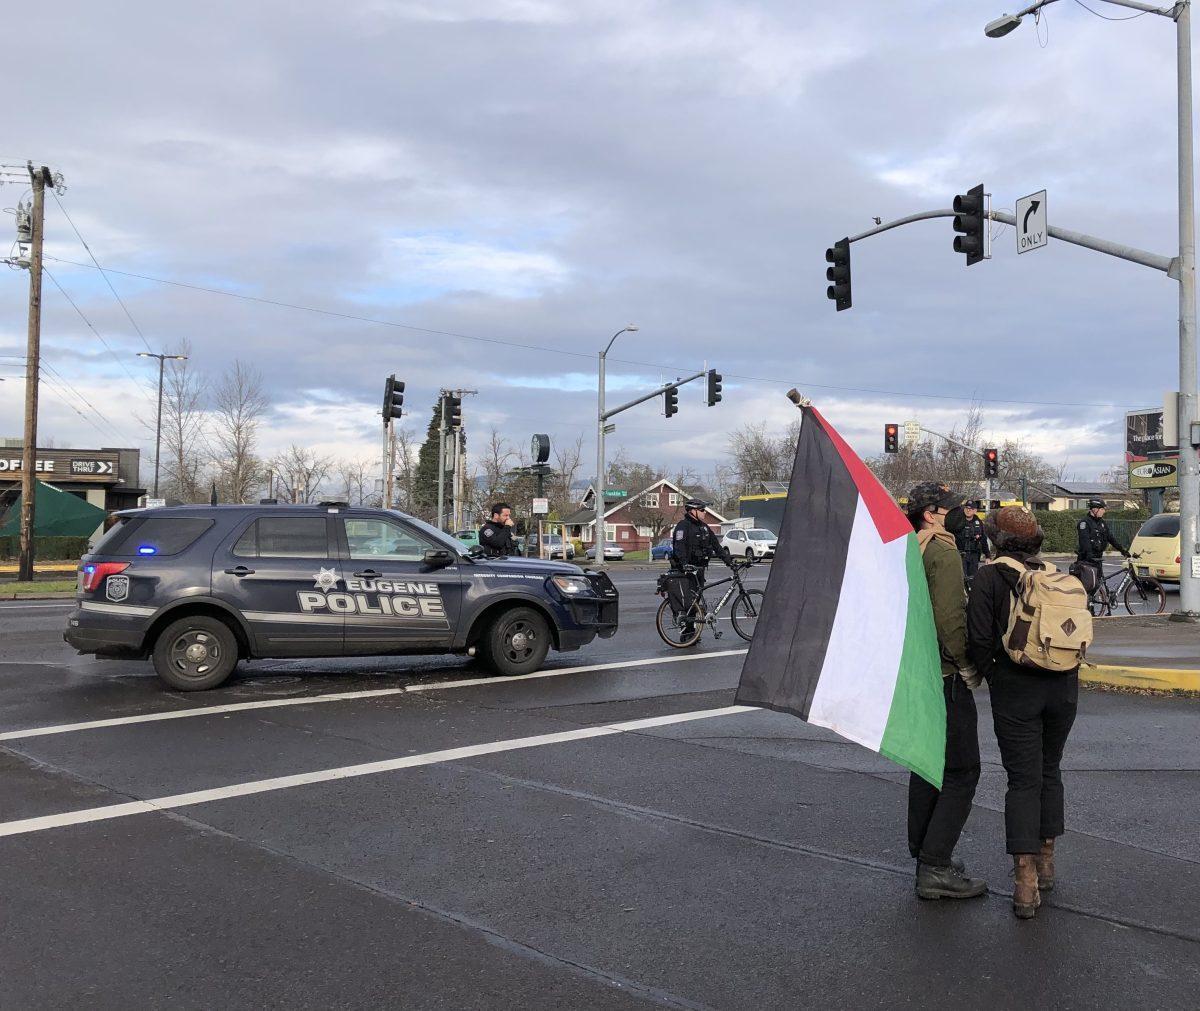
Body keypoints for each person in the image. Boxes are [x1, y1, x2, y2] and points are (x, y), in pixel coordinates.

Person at [969, 506, 1079, 920]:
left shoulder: (989, 576)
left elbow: (979, 639)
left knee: (1022, 780)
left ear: (998, 539)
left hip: (1016, 688)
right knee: (1050, 770)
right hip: (1063, 686)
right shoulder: (1055, 572)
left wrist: (993, 676)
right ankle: (1047, 862)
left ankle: (1024, 881)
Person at [904, 482, 986, 901]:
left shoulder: (906, 547)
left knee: (926, 765)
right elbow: (950, 619)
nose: (963, 512)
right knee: (961, 770)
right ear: (932, 514)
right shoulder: (943, 551)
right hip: (944, 676)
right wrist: (967, 664)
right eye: (954, 507)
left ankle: (924, 851)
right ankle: (935, 865)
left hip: (914, 672)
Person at [669, 499, 732, 633]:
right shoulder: (682, 526)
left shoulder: (704, 527)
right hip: (686, 571)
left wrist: (729, 562)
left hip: (699, 570)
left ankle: (692, 632)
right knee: (689, 602)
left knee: (695, 601)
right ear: (693, 511)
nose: (705, 513)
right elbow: (679, 547)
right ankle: (687, 633)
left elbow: (717, 546)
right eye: (702, 510)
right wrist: (684, 564)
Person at [1076, 498, 1129, 603]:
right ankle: (1087, 606)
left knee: (1098, 584)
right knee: (1088, 585)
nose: (1104, 511)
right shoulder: (1084, 523)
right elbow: (1084, 541)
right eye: (1102, 509)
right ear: (1094, 509)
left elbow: (1111, 538)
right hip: (1087, 559)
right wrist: (1090, 555)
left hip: (1098, 558)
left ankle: (1099, 606)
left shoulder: (1102, 523)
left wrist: (1123, 551)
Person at [954, 501, 990, 583]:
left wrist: (988, 556)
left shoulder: (979, 522)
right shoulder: (957, 522)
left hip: (974, 555)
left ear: (975, 510)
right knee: (961, 578)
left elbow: (983, 540)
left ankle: (971, 594)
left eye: (971, 509)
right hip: (960, 554)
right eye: (966, 508)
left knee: (973, 579)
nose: (968, 510)